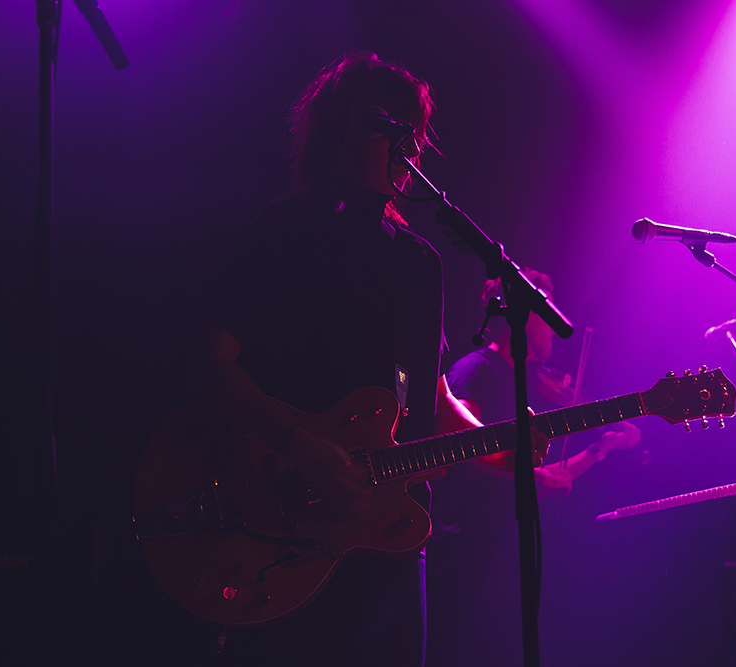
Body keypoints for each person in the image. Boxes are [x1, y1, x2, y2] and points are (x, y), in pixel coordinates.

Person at [187, 52, 546, 667]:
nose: (403, 142)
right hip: (280, 525)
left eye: (412, 128)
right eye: (385, 123)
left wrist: (498, 446)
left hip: (387, 539)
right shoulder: (284, 231)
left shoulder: (419, 261)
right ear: (338, 132)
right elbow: (209, 360)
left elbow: (428, 399)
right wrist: (301, 442)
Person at [425, 269, 640, 666]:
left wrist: (601, 448)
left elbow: (546, 476)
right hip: (459, 548)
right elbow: (464, 451)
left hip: (495, 551)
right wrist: (536, 474)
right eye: (546, 312)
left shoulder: (522, 381)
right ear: (522, 314)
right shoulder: (477, 369)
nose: (554, 327)